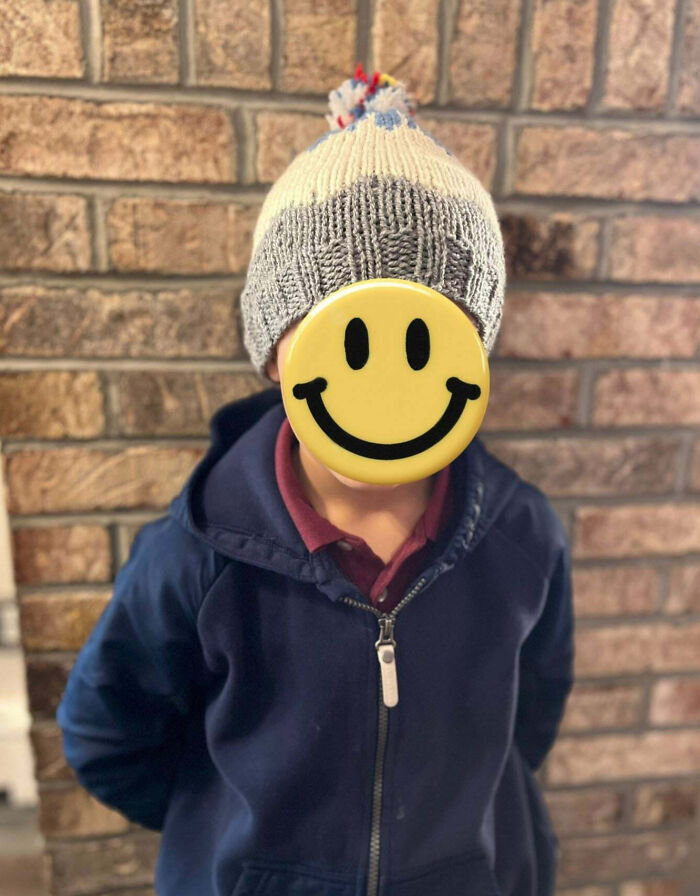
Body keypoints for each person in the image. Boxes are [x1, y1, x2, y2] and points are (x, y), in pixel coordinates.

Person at [56, 65, 575, 896]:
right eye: (350, 341)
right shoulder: (199, 555)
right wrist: (224, 835)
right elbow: (106, 732)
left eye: (425, 342)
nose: (385, 388)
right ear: (273, 350)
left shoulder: (521, 537)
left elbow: (530, 717)